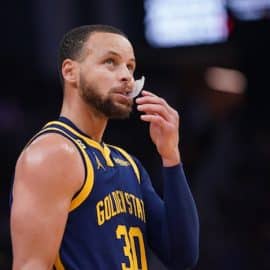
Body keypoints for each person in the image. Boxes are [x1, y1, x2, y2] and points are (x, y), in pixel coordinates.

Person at [10, 25, 199, 270]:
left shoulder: (128, 164)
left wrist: (171, 155)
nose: (126, 77)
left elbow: (182, 256)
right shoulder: (52, 153)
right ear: (70, 72)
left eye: (130, 66)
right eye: (110, 62)